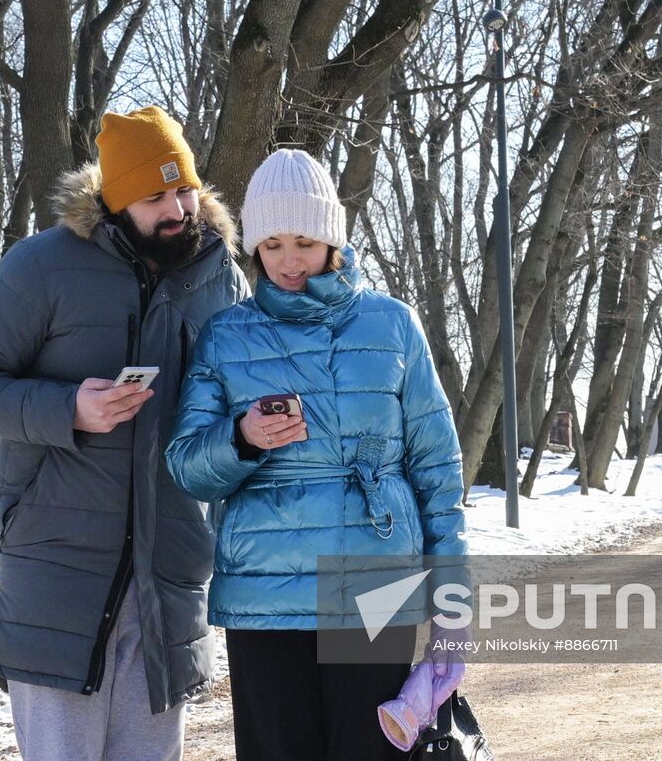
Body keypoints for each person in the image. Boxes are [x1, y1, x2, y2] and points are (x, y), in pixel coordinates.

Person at [0, 106, 250, 761]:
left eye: (185, 188)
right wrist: (68, 409)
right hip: (60, 569)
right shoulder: (44, 265)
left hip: (171, 572)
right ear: (114, 199)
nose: (179, 208)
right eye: (155, 195)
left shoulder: (220, 275)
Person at [164, 148, 468, 761]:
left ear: (333, 239)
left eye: (303, 240)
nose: (288, 261)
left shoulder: (392, 324)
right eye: (271, 244)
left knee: (371, 750)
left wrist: (452, 598)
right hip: (265, 589)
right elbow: (187, 466)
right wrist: (242, 438)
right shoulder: (228, 334)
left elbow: (437, 469)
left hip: (376, 575)